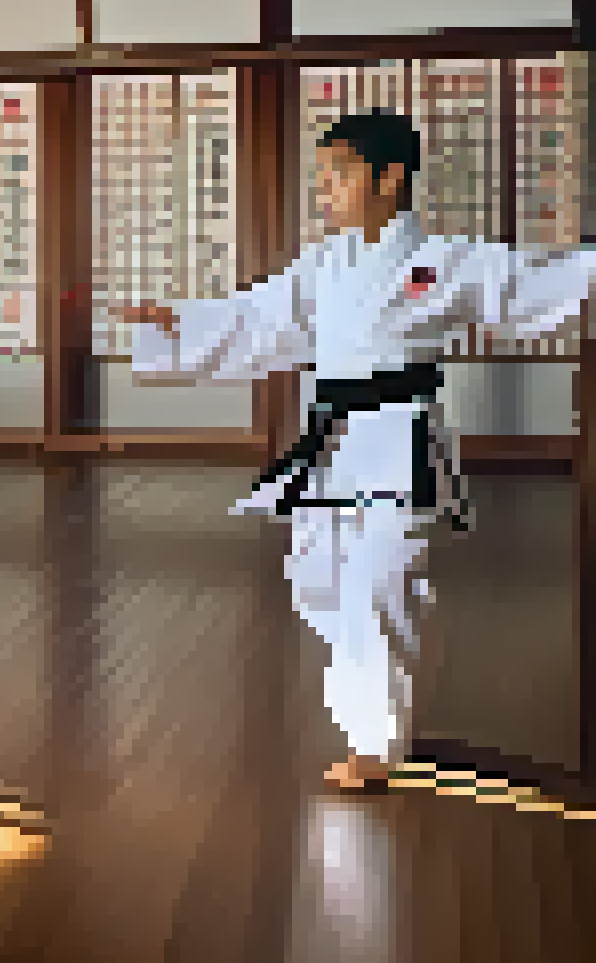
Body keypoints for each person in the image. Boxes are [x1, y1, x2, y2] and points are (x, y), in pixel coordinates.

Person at [121, 110, 595, 792]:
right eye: (322, 178)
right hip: (334, 443)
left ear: (389, 177)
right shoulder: (325, 264)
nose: (326, 191)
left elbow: (530, 285)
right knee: (325, 578)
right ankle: (370, 711)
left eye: (337, 176)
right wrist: (176, 319)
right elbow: (257, 318)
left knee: (380, 579)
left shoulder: (443, 262)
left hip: (399, 440)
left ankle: (374, 741)